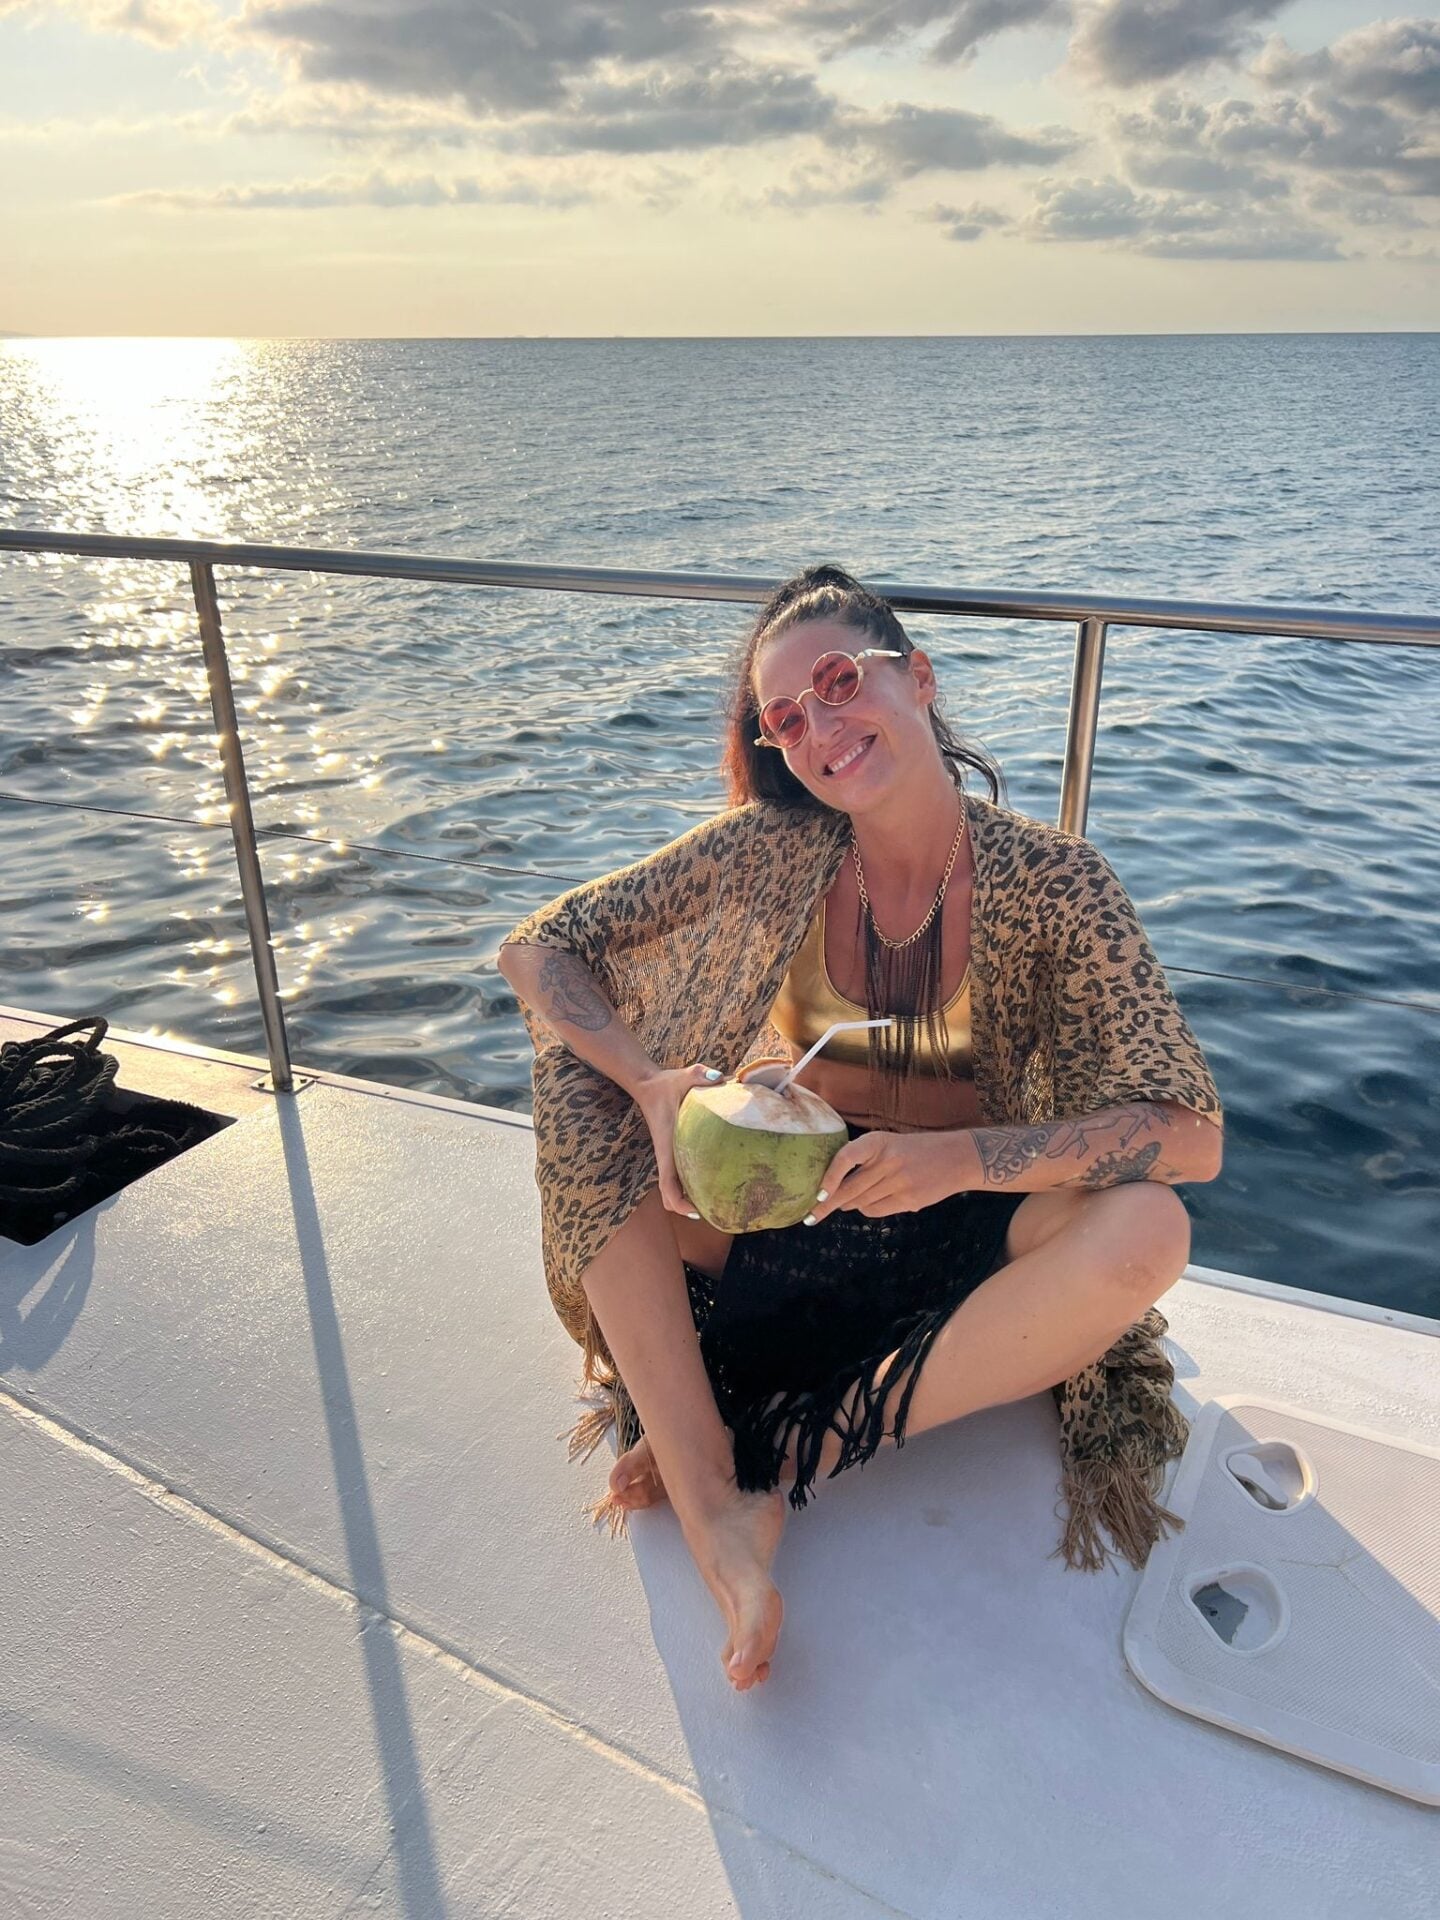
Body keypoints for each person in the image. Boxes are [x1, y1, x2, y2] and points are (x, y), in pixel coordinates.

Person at [498, 564, 1223, 1695]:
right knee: (577, 1071)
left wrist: (956, 1161)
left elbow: (1186, 1135)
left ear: (917, 677)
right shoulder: (773, 848)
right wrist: (649, 1082)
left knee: (1145, 1231)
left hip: (959, 1245)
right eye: (787, 718)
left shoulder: (1054, 881)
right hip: (783, 1221)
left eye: (841, 683)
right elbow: (539, 949)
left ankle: (784, 1450)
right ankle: (713, 1502)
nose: (821, 728)